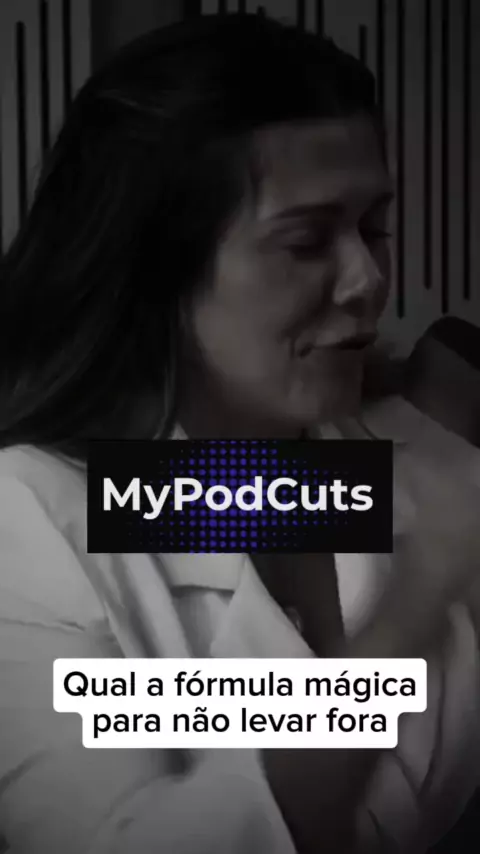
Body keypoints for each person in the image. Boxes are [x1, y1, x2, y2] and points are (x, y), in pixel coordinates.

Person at [0, 13, 479, 854]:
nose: (368, 279)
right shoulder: (28, 519)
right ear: (155, 267)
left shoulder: (418, 467)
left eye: (373, 227)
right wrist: (412, 609)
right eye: (306, 241)